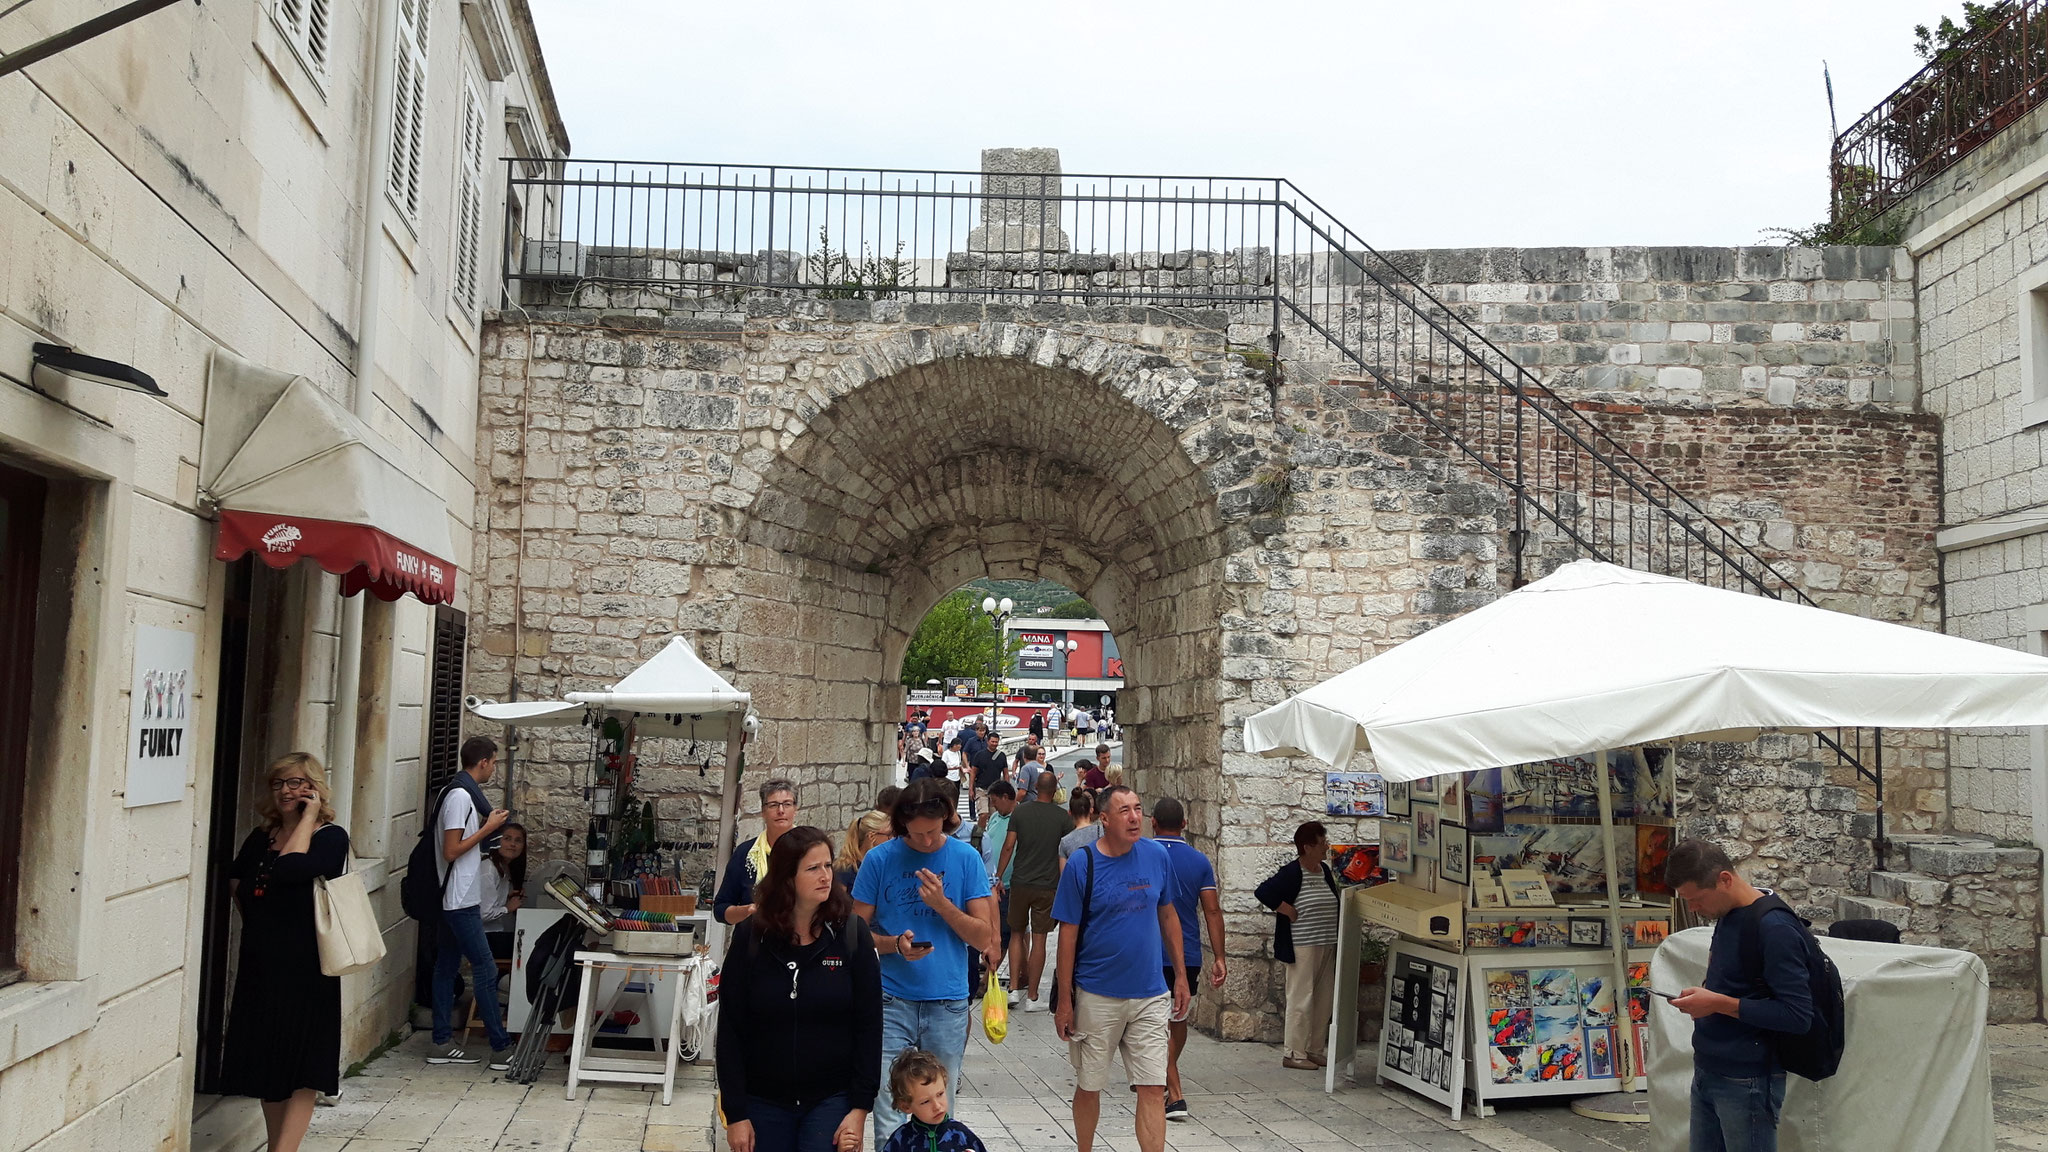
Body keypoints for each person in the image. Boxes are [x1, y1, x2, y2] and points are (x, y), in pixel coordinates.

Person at [850, 778, 1000, 1146]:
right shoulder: (879, 859)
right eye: (917, 835)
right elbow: (853, 934)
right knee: (888, 1101)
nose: (927, 842)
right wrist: (893, 945)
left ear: (947, 819)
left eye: (933, 832)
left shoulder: (965, 858)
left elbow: (984, 937)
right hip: (890, 998)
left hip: (946, 1001)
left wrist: (943, 905)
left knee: (938, 1108)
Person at [717, 826, 881, 1152]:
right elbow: (731, 1028)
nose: (825, 876)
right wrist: (735, 1113)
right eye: (813, 868)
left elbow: (869, 1025)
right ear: (787, 877)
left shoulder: (851, 933)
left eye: (828, 866)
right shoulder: (751, 936)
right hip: (763, 1100)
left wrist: (860, 1108)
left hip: (831, 1099)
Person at [219, 752, 350, 1152]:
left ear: (314, 788)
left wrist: (308, 819)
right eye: (279, 784)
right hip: (261, 963)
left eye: (296, 783)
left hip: (307, 968)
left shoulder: (330, 837)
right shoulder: (262, 836)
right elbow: (237, 880)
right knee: (267, 1061)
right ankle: (277, 1144)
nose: (286, 791)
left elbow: (291, 868)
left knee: (302, 1064)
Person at [1052, 785, 1190, 1152]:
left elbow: (1168, 913)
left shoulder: (1157, 855)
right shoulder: (1083, 863)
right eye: (1124, 811)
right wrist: (1065, 1000)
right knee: (1090, 1084)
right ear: (1104, 819)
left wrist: (1179, 975)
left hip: (1149, 993)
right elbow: (1068, 934)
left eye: (1138, 809)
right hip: (1098, 994)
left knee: (1152, 1085)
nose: (1133, 817)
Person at [1666, 839, 1815, 1152]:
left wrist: (1716, 1003)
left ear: (1725, 879)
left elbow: (1798, 1016)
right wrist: (1706, 995)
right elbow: (1733, 982)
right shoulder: (1728, 913)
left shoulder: (1775, 927)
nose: (1693, 909)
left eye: (1697, 899)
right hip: (1709, 1066)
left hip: (1748, 1079)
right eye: (1687, 901)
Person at [430, 736, 514, 1067]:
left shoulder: (457, 794)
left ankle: (440, 1042)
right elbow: (451, 849)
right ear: (483, 762)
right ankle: (500, 1047)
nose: (494, 768)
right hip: (459, 898)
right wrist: (488, 827)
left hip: (457, 895)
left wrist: (482, 826)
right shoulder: (459, 796)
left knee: (447, 966)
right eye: (494, 762)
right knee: (485, 966)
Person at [1150, 798, 1226, 1122]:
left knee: (1152, 1025)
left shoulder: (1143, 856)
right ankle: (1165, 1076)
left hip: (1150, 952)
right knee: (1177, 1021)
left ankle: (1174, 1093)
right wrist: (1220, 956)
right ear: (1184, 824)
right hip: (1189, 954)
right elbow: (1212, 910)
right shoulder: (1199, 861)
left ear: (1152, 823)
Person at [1254, 821, 1339, 1071]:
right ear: (1307, 846)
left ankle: (1314, 1049)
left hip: (1326, 941)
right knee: (1301, 998)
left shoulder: (1323, 870)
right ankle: (1293, 1052)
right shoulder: (1293, 872)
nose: (1326, 846)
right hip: (1302, 944)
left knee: (1324, 998)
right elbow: (1264, 892)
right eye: (1322, 842)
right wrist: (1286, 910)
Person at [997, 770, 1073, 1011]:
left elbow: (1009, 846)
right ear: (1054, 791)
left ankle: (1013, 990)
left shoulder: (1020, 811)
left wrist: (998, 877)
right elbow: (1069, 852)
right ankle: (1032, 996)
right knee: (1039, 938)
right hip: (1047, 885)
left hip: (1020, 881)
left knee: (1017, 933)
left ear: (1036, 788)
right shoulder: (1063, 818)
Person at [716, 778, 800, 925]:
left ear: (795, 809)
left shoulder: (810, 851)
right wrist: (747, 911)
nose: (781, 811)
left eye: (787, 804)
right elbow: (720, 910)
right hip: (752, 941)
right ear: (763, 811)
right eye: (773, 805)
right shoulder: (745, 854)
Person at [879, 1049, 987, 1152]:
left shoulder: (962, 1134)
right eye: (925, 1102)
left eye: (940, 1094)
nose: (937, 1106)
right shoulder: (900, 1139)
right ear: (906, 1106)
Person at [976, 782, 1019, 964]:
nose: (994, 805)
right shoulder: (995, 818)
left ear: (1005, 798)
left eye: (995, 801)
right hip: (989, 882)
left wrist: (1000, 876)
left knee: (1003, 930)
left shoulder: (1018, 818)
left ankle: (990, 971)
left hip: (1006, 883)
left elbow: (1009, 848)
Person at [480, 821, 527, 959]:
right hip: (485, 936)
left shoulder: (504, 868)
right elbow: (484, 914)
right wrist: (508, 908)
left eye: (518, 841)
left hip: (494, 933)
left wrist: (507, 897)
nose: (512, 844)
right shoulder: (488, 869)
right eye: (507, 839)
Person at [834, 810, 891, 891]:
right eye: (889, 835)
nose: (893, 839)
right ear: (871, 837)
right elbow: (838, 901)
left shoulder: (884, 864)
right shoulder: (845, 870)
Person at [1058, 788, 1102, 865]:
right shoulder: (1101, 832)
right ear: (1091, 810)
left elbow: (1064, 874)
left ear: (1070, 813)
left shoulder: (1065, 842)